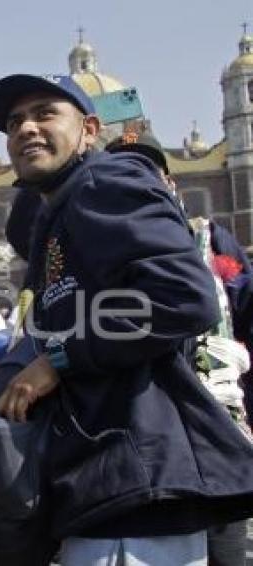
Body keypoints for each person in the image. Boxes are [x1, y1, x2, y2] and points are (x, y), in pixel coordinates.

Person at [0, 73, 253, 565]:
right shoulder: (60, 208)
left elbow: (183, 297)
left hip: (135, 481)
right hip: (101, 479)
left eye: (45, 113)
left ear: (89, 129)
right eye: (15, 121)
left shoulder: (107, 181)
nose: (25, 128)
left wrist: (58, 360)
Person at [106, 132, 253, 566]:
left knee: (225, 525)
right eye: (122, 174)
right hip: (141, 420)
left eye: (148, 172)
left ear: (170, 184)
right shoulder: (97, 245)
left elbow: (243, 309)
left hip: (214, 406)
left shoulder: (209, 238)